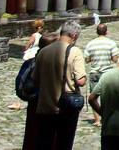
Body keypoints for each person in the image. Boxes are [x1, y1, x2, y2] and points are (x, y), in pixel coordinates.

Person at [32, 19, 87, 150]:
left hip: (45, 105)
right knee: (64, 143)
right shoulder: (74, 52)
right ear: (74, 35)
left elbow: (35, 79)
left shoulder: (44, 51)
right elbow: (81, 81)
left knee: (44, 143)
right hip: (66, 107)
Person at [20, 31, 59, 150]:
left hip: (34, 103)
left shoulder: (30, 62)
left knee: (32, 135)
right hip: (45, 103)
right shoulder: (49, 64)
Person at [83, 23, 119, 128]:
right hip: (107, 73)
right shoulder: (111, 43)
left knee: (94, 97)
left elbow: (87, 59)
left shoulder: (91, 44)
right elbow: (115, 59)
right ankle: (106, 117)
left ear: (97, 32)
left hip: (94, 73)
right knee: (108, 96)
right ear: (106, 32)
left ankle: (97, 119)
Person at [9, 18, 45, 110]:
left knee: (24, 77)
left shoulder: (34, 35)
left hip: (31, 55)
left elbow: (28, 44)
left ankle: (18, 102)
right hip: (38, 54)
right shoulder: (42, 35)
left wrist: (26, 49)